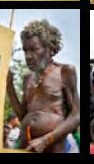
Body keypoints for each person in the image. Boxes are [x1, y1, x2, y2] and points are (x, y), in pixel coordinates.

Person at [6, 19, 80, 153]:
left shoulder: (65, 71)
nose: (28, 56)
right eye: (25, 50)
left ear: (50, 49)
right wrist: (9, 88)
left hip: (54, 148)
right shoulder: (27, 78)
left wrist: (46, 140)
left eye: (34, 49)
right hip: (27, 146)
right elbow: (23, 116)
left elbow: (76, 115)